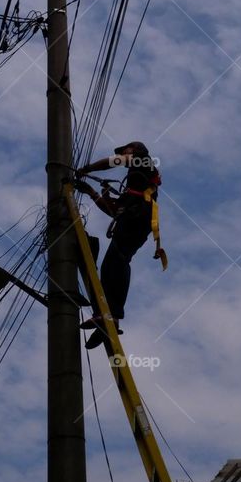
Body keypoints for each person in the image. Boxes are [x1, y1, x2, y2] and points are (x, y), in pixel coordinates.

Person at [73, 141, 165, 348]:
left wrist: (86, 169)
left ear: (136, 150)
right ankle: (107, 316)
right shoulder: (134, 185)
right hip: (133, 219)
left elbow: (112, 162)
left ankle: (111, 315)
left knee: (117, 262)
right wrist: (91, 192)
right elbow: (114, 212)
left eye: (126, 151)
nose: (123, 154)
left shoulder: (144, 162)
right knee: (112, 264)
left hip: (139, 218)